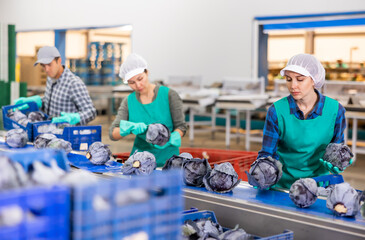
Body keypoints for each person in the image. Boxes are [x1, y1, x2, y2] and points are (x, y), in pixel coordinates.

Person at [255, 53, 349, 189]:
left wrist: (338, 163)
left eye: (300, 79)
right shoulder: (277, 111)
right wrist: (262, 170)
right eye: (288, 79)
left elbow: (337, 150)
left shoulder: (335, 110)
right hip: (282, 186)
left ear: (314, 79)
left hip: (318, 186)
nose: (293, 86)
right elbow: (268, 153)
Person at [109, 53, 187, 167]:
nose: (138, 85)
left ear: (147, 72)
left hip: (169, 161)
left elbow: (181, 126)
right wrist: (130, 128)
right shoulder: (129, 101)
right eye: (132, 82)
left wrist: (172, 137)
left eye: (140, 78)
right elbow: (113, 133)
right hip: (139, 163)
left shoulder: (169, 95)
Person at [14, 46, 96, 125]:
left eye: (49, 64)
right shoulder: (50, 79)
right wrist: (39, 100)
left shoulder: (74, 84)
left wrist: (75, 118)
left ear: (59, 61)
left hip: (68, 135)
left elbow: (91, 112)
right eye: (43, 66)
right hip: (52, 132)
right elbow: (53, 100)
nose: (47, 69)